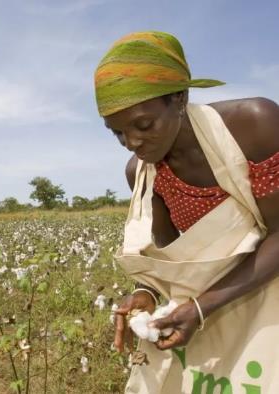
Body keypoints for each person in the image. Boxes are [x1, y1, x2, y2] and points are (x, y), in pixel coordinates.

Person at [94, 31, 279, 392]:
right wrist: (145, 293)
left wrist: (201, 306)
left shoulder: (255, 125)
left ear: (180, 98)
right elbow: (174, 262)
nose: (132, 142)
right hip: (215, 303)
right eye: (117, 133)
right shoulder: (142, 174)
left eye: (144, 125)